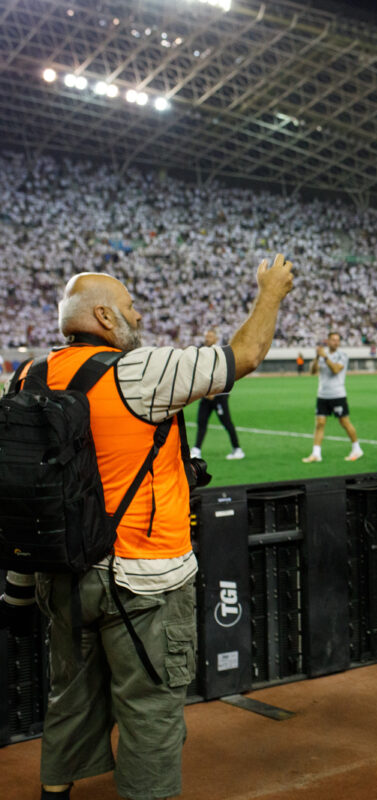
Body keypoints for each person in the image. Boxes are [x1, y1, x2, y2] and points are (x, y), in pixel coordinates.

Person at [0, 255, 293, 800]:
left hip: (61, 577)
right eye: (132, 307)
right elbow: (245, 355)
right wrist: (270, 291)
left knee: (70, 696)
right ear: (107, 318)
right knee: (150, 709)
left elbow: (21, 492)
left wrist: (16, 588)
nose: (140, 315)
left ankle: (54, 793)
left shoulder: (26, 375)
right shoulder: (142, 370)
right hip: (144, 581)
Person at [301, 331, 363, 463]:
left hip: (337, 394)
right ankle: (316, 453)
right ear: (327, 341)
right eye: (333, 340)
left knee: (344, 422)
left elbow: (335, 370)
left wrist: (325, 357)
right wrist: (317, 357)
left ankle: (357, 448)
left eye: (337, 340)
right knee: (319, 424)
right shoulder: (323, 355)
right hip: (322, 395)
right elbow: (312, 372)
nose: (336, 342)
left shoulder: (342, 356)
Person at [191, 328, 245, 461]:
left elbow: (224, 373)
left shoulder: (221, 353)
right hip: (206, 395)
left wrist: (214, 391)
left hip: (219, 396)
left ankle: (237, 449)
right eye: (206, 336)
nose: (207, 338)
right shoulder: (201, 353)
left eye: (210, 336)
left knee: (226, 423)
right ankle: (196, 450)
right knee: (201, 422)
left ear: (216, 339)